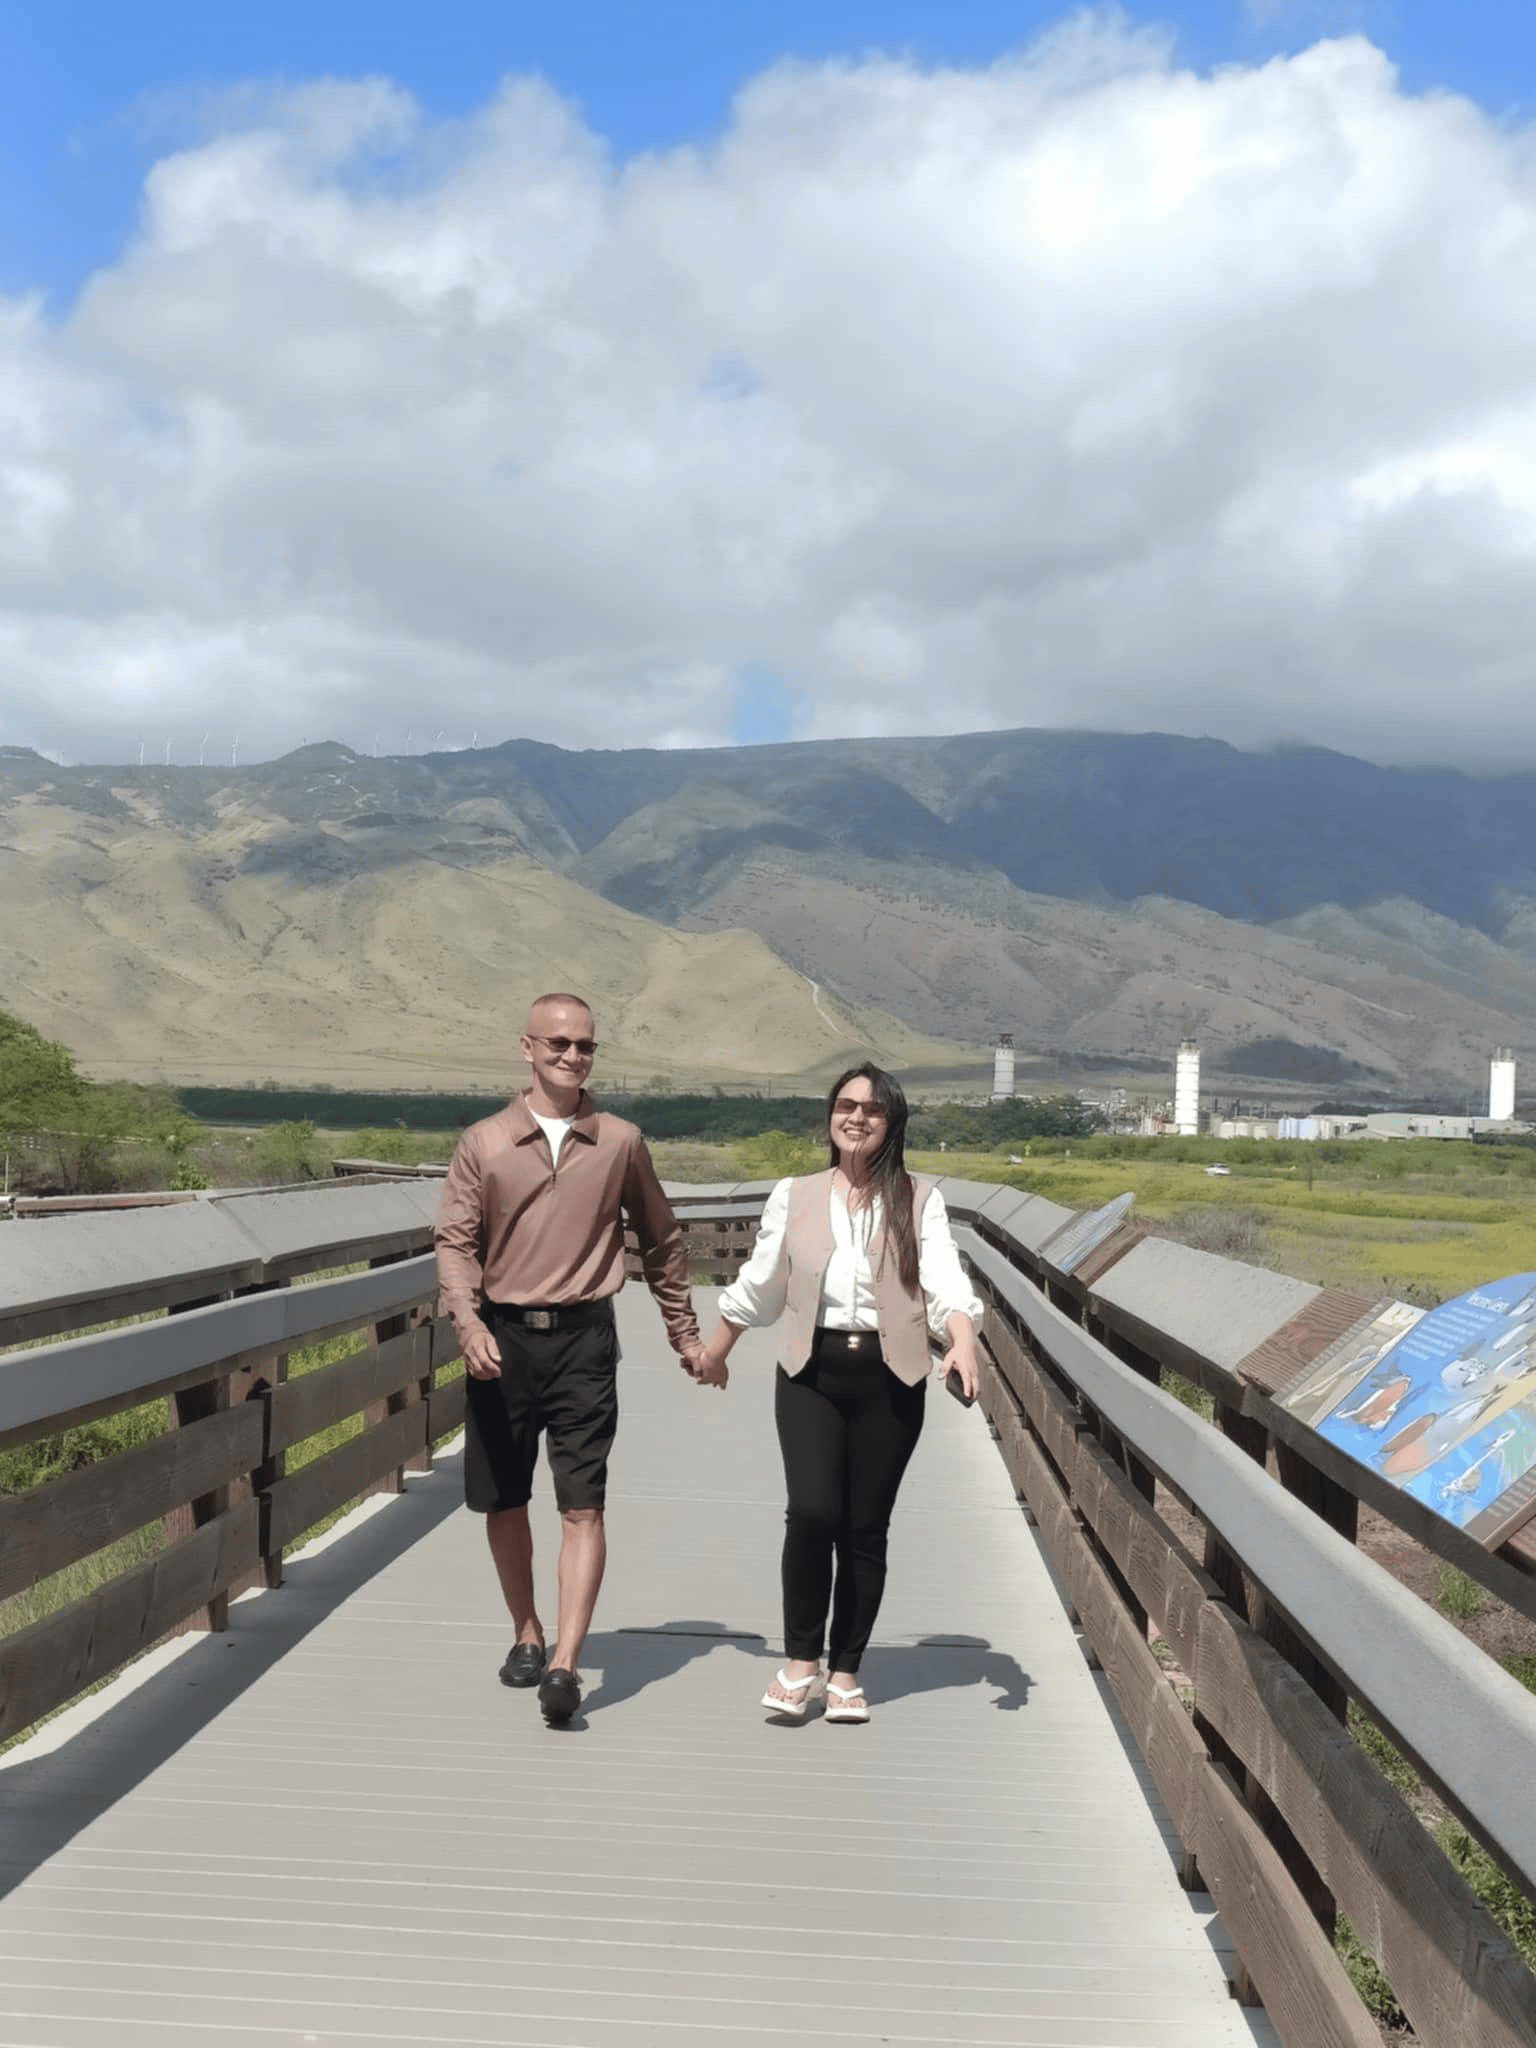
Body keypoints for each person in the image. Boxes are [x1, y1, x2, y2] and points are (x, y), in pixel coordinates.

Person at [435, 992, 705, 1723]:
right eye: (558, 1043)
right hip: (502, 1338)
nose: (572, 1056)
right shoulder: (485, 1142)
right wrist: (468, 1323)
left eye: (585, 1045)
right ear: (527, 1048)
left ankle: (566, 1662)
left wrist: (683, 1333)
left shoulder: (620, 1141)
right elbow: (455, 1242)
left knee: (583, 1501)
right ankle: (527, 1631)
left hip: (586, 1339)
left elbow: (662, 1239)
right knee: (504, 1498)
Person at [696, 1061, 983, 1723]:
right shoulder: (794, 1195)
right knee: (813, 1511)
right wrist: (717, 1350)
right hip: (810, 1371)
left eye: (872, 1109)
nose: (857, 1117)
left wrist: (962, 1337)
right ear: (830, 1116)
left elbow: (943, 1277)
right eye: (846, 1105)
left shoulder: (920, 1199)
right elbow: (762, 1282)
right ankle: (801, 1660)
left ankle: (846, 1671)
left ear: (892, 1123)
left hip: (892, 1375)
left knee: (864, 1526)